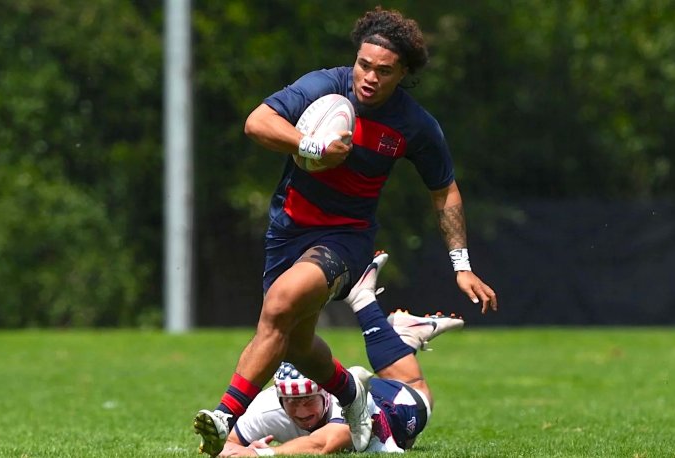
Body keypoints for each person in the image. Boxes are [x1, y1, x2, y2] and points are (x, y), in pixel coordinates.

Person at [194, 7, 497, 456]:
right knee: (296, 346)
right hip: (287, 231)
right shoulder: (324, 86)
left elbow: (444, 190)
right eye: (364, 64)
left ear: (404, 74)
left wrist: (461, 264)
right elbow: (256, 122)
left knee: (279, 304)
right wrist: (311, 145)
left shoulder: (414, 125)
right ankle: (353, 396)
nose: (369, 77)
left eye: (384, 70)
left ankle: (224, 416)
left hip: (346, 239)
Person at [218, 253, 466, 456]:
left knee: (418, 392)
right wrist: (236, 450)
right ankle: (404, 335)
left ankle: (364, 301)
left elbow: (326, 443)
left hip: (388, 404)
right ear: (280, 398)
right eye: (292, 402)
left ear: (326, 392)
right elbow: (228, 444)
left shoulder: (342, 400)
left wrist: (261, 453)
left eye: (308, 400)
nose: (302, 411)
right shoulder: (267, 407)